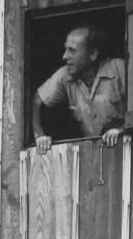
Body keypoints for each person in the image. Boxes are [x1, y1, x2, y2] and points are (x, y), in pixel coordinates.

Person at [32, 24, 126, 155]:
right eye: (65, 49)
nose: (64, 56)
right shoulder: (64, 75)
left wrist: (122, 130)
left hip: (125, 150)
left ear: (92, 54)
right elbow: (37, 100)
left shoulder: (118, 69)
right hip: (92, 155)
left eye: (72, 50)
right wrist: (39, 136)